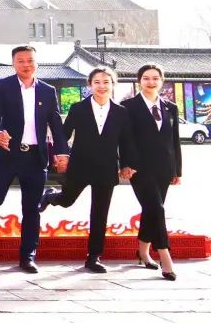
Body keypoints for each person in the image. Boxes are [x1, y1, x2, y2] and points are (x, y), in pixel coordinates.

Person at [39, 67, 137, 273]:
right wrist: (60, 155)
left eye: (106, 82)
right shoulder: (78, 108)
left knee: (100, 213)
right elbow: (63, 134)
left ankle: (94, 257)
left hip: (107, 169)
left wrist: (127, 164)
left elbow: (127, 141)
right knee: (67, 200)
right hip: (80, 166)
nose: (102, 86)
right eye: (97, 82)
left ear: (113, 84)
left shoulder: (121, 112)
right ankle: (51, 196)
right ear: (89, 85)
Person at [0, 45, 68, 274]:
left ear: (36, 63)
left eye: (30, 60)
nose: (26, 65)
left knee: (31, 208)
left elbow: (55, 123)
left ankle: (28, 256)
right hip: (8, 153)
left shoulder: (47, 91)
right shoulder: (3, 86)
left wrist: (62, 152)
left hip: (35, 157)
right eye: (20, 61)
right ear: (13, 64)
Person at [120, 63, 183, 281]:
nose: (151, 82)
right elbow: (124, 140)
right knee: (156, 208)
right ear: (139, 81)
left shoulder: (171, 107)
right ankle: (165, 256)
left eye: (155, 78)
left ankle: (143, 252)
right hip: (139, 168)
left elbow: (174, 141)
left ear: (162, 81)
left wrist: (177, 170)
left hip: (164, 168)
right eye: (146, 78)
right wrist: (125, 164)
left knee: (151, 210)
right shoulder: (128, 106)